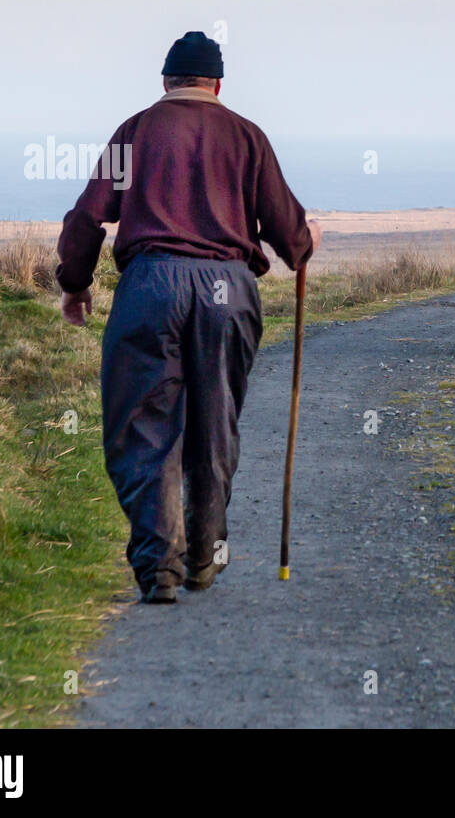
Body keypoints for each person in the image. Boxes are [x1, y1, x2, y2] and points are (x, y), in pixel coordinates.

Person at [55, 31, 321, 603]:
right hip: (228, 287)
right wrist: (306, 240)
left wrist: (75, 285)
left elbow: (86, 219)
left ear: (166, 81)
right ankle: (204, 554)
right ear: (218, 84)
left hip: (151, 286)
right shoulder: (248, 136)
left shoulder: (136, 130)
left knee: (144, 426)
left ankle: (159, 568)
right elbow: (290, 237)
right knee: (214, 419)